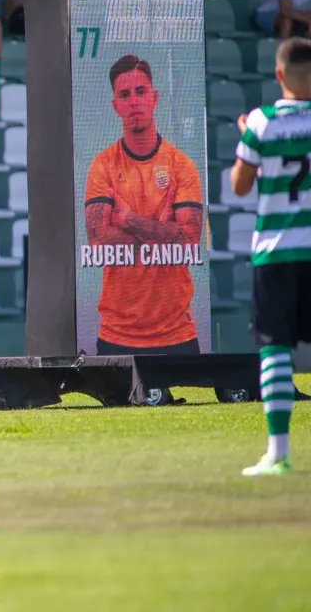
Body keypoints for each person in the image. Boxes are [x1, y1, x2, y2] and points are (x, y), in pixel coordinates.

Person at [83, 56, 203, 359]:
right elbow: (97, 241)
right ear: (115, 105)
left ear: (154, 98)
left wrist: (128, 219)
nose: (134, 101)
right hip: (117, 332)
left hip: (176, 330)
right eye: (124, 95)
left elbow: (189, 241)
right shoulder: (102, 166)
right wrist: (160, 230)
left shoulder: (181, 166)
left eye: (141, 91)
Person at [232, 37, 311, 476]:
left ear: (279, 74)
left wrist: (249, 137)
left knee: (275, 348)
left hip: (277, 251)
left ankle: (277, 453)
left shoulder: (261, 122)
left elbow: (240, 186)